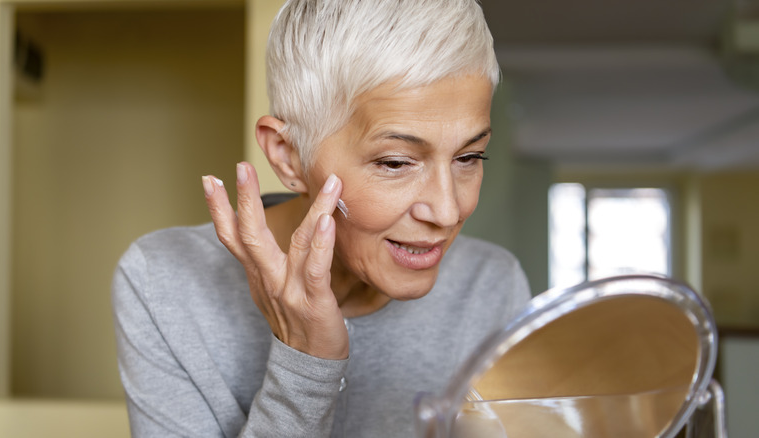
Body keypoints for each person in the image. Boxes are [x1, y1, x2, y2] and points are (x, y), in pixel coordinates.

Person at [111, 0, 531, 436]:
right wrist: (305, 365)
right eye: (394, 163)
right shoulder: (165, 282)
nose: (448, 211)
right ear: (289, 157)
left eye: (469, 156)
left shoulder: (491, 286)